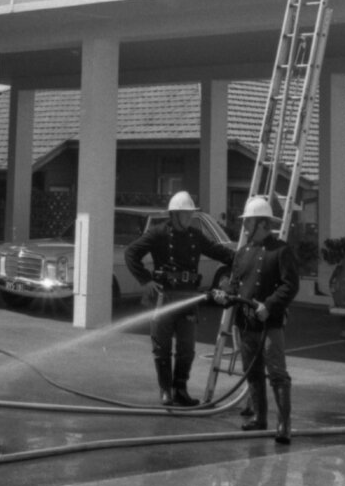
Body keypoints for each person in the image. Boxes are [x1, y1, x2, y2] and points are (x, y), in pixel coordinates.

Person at [125, 190, 235, 407]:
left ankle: (180, 390)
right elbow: (131, 253)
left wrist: (242, 258)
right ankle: (166, 390)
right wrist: (146, 280)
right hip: (165, 297)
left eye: (190, 213)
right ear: (174, 214)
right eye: (186, 213)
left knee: (187, 348)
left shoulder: (195, 235)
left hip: (188, 297)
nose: (189, 217)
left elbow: (218, 251)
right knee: (162, 347)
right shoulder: (158, 233)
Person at [223, 194, 299, 445]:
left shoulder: (281, 251)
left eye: (249, 221)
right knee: (252, 372)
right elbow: (236, 285)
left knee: (277, 373)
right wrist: (225, 294)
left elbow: (290, 285)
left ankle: (284, 425)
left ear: (262, 223)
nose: (244, 226)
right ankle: (259, 417)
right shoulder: (242, 252)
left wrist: (270, 305)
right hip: (246, 325)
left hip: (270, 324)